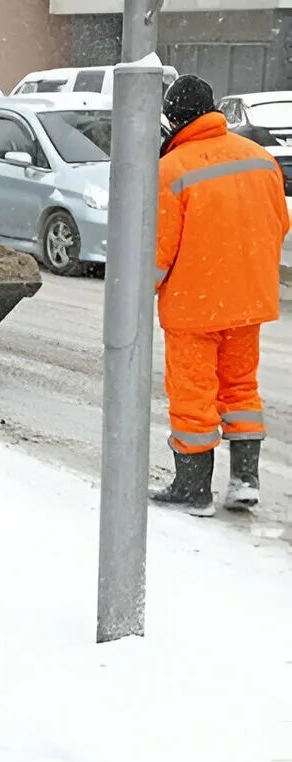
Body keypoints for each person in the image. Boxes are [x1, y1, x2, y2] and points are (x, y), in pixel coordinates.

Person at [150, 75, 288, 516]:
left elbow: (158, 251)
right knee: (241, 389)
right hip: (247, 302)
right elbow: (279, 225)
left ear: (173, 119)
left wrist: (139, 292)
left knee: (193, 395)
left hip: (194, 306)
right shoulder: (261, 159)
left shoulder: (172, 170)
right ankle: (245, 481)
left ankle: (193, 490)